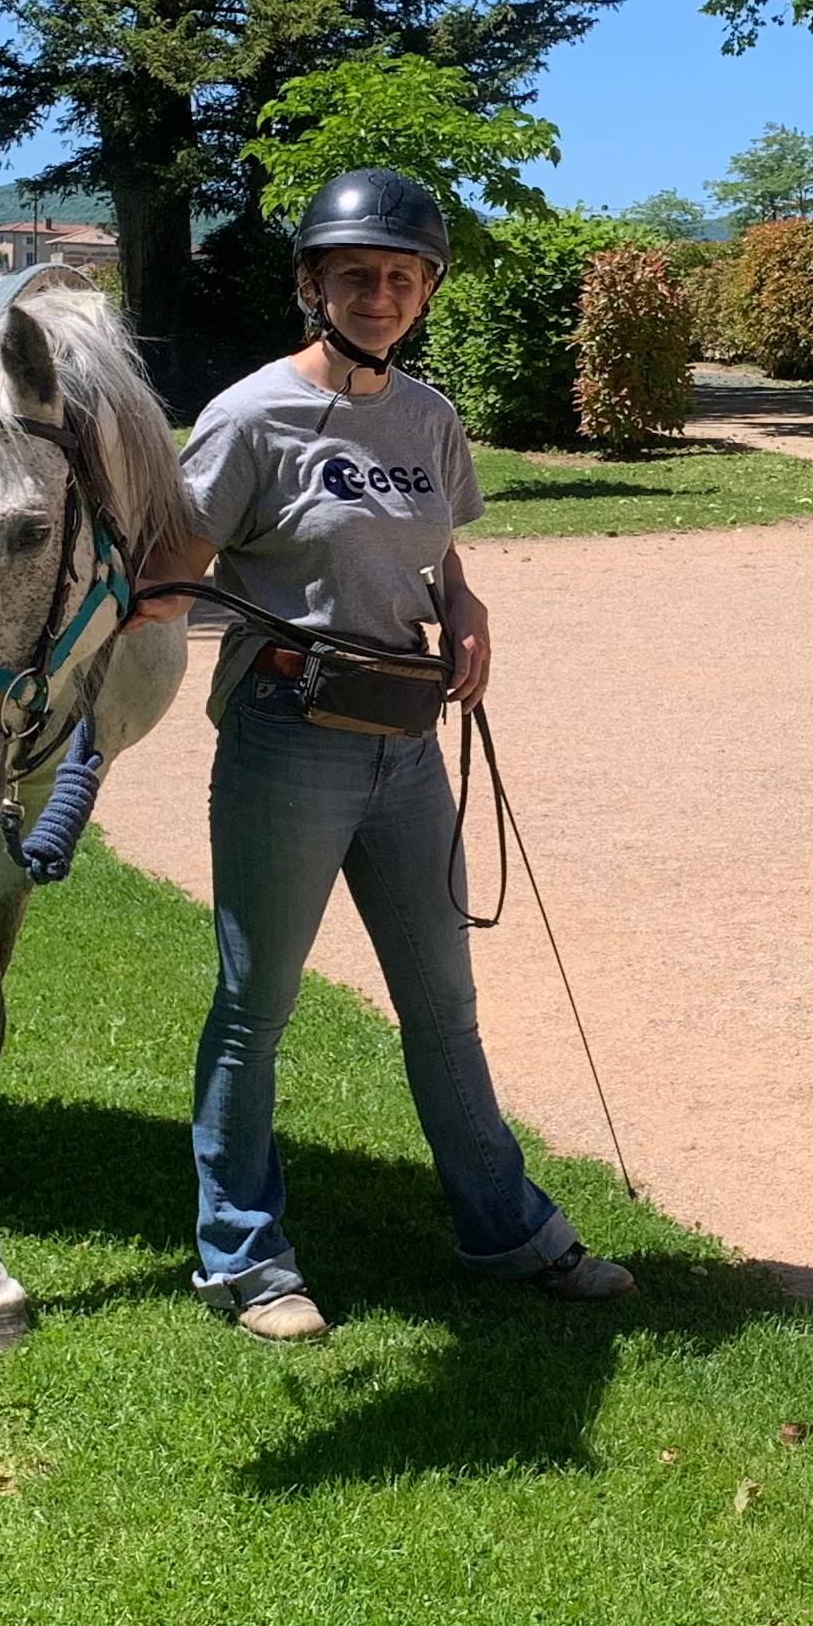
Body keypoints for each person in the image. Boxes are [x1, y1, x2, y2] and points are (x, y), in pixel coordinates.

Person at [140, 168, 632, 1341]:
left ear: (426, 292)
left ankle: (505, 1231)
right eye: (356, 273)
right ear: (311, 283)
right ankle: (244, 1257)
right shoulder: (250, 416)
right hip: (288, 737)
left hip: (406, 746)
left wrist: (466, 605)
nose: (381, 294)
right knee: (256, 1006)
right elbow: (168, 575)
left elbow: (435, 548)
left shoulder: (427, 418)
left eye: (403, 278)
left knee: (444, 1004)